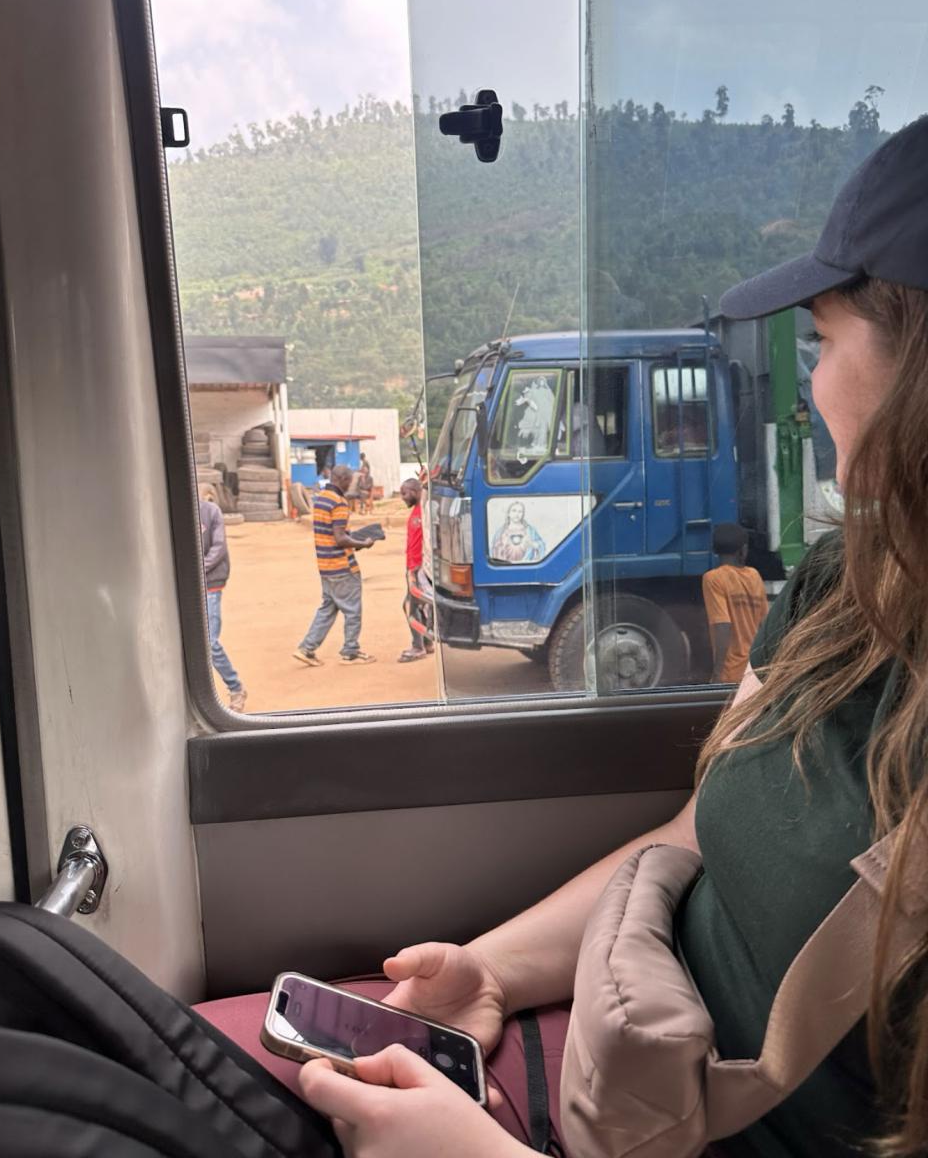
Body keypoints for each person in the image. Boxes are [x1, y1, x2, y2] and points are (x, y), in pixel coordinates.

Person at [290, 118, 928, 1157]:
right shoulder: (844, 591)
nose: (809, 386)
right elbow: (693, 835)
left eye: (825, 339)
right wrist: (492, 970)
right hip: (625, 1060)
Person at [293, 464, 376, 666]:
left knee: (328, 609)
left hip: (325, 565)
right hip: (342, 566)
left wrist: (352, 539)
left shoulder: (321, 499)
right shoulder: (339, 503)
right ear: (343, 479)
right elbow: (340, 539)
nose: (350, 484)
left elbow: (332, 534)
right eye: (349, 480)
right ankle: (351, 652)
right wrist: (362, 544)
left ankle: (307, 648)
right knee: (353, 610)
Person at [198, 484, 246, 712]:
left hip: (210, 584)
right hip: (187, 587)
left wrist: (196, 568)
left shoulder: (210, 512)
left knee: (210, 642)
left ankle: (236, 687)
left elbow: (218, 547)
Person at [702, 522, 768, 682]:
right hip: (755, 669)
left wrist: (717, 672)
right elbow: (765, 625)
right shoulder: (754, 576)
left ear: (715, 550)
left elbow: (722, 626)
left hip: (731, 673)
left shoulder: (713, 578)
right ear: (743, 550)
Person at [397, 478, 432, 662]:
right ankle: (427, 642)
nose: (403, 498)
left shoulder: (423, 512)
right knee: (419, 605)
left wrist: (416, 569)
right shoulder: (416, 511)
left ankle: (418, 646)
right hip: (411, 567)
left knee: (410, 606)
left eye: (405, 493)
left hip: (417, 568)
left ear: (416, 492)